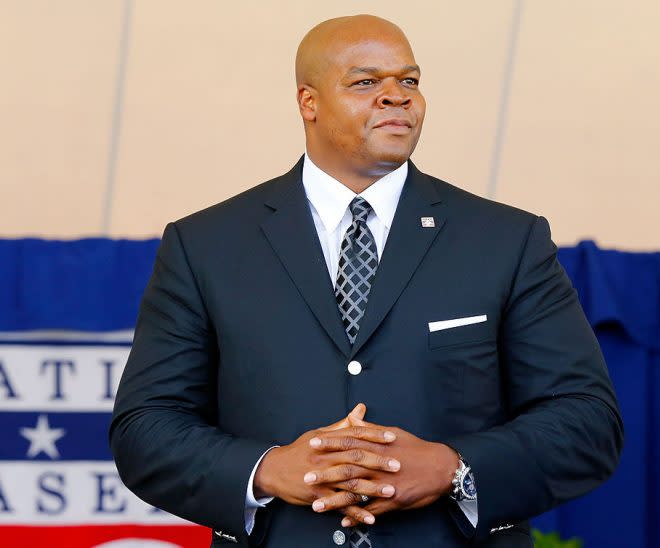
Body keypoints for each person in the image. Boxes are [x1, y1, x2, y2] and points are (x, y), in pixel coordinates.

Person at [110, 14, 623, 548]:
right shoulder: (206, 245)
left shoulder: (508, 240)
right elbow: (146, 429)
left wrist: (453, 468)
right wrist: (267, 470)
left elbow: (587, 421)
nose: (396, 96)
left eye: (409, 80)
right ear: (308, 102)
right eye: (365, 82)